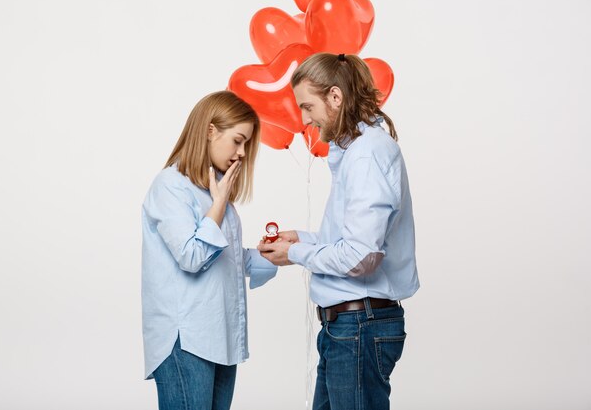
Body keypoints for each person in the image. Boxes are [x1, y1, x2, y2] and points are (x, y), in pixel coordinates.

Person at [258, 53, 420, 410]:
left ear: (335, 97)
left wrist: (295, 254)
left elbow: (360, 256)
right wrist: (302, 239)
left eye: (307, 106)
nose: (304, 120)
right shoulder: (355, 153)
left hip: (358, 327)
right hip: (349, 327)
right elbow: (356, 242)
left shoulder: (366, 155)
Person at [141, 91, 277, 410]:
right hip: (187, 339)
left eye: (247, 145)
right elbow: (192, 257)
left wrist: (276, 254)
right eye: (238, 141)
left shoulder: (213, 189)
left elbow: (225, 258)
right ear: (210, 131)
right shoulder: (170, 186)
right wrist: (217, 205)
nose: (242, 153)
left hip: (220, 338)